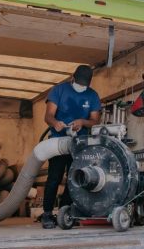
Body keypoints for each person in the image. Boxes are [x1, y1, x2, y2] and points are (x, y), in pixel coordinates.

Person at [41, 65, 101, 229]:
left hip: (80, 144)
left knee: (75, 179)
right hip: (58, 142)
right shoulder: (58, 90)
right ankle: (46, 214)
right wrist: (56, 123)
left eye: (84, 85)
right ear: (73, 78)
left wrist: (82, 122)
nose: (81, 87)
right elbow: (48, 116)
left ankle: (66, 212)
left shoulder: (92, 95)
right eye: (79, 83)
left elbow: (95, 120)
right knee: (54, 178)